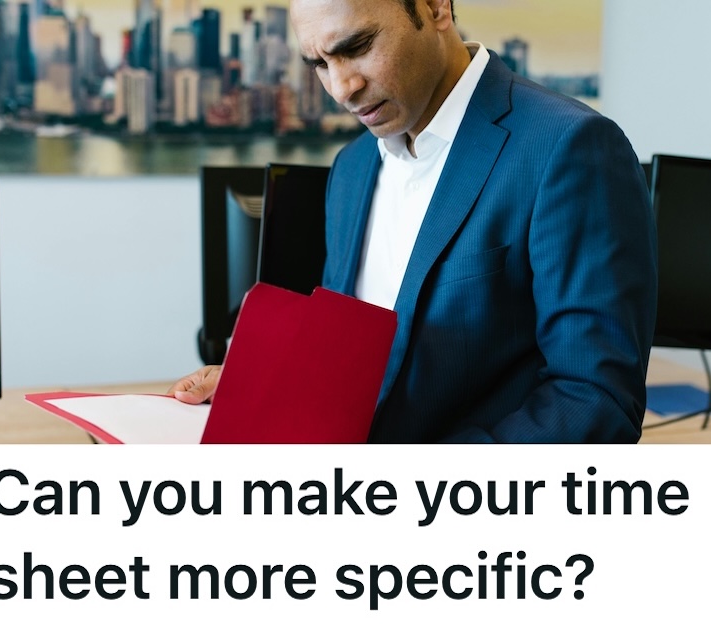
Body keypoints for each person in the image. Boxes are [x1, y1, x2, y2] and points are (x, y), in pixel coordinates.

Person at [170, 0, 657, 443]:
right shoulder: (351, 169)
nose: (341, 89)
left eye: (357, 47)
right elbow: (348, 359)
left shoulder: (569, 147)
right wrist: (260, 383)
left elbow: (596, 399)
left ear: (435, 8)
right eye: (319, 64)